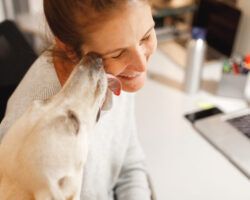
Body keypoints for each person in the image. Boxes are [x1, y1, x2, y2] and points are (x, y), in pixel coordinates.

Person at [0, 0, 157, 199]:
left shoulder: (117, 71)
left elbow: (129, 164)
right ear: (71, 50)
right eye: (117, 54)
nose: (142, 65)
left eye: (146, 36)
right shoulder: (29, 138)